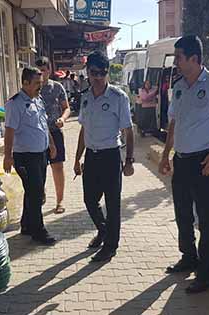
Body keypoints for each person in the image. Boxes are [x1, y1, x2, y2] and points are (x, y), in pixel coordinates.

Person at [159, 35, 209, 294]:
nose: (176, 63)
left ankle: (206, 273)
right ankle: (188, 257)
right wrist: (165, 154)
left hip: (205, 160)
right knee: (183, 214)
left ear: (194, 59)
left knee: (207, 219)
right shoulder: (179, 85)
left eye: (179, 57)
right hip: (181, 161)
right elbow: (174, 122)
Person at [74, 51, 135, 262]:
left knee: (113, 203)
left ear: (107, 72)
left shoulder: (119, 97)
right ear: (87, 72)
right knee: (89, 200)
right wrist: (77, 158)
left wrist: (129, 161)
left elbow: (128, 130)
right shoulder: (85, 98)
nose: (98, 77)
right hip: (91, 156)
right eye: (94, 72)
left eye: (102, 72)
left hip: (111, 156)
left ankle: (110, 246)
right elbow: (83, 130)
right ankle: (103, 230)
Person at [4, 67, 58, 245]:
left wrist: (50, 144)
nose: (39, 87)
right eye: (36, 83)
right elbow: (9, 131)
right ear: (25, 83)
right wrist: (7, 156)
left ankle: (27, 224)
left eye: (40, 83)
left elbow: (43, 124)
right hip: (25, 156)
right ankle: (38, 230)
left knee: (34, 190)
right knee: (36, 193)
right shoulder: (15, 103)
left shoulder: (37, 100)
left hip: (40, 153)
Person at [36, 56, 71, 214]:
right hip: (37, 134)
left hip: (55, 132)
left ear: (49, 71)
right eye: (38, 71)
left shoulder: (57, 87)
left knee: (57, 167)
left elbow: (66, 108)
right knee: (39, 168)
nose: (41, 74)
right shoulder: (32, 89)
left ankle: (60, 201)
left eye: (44, 70)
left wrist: (62, 119)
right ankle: (41, 193)